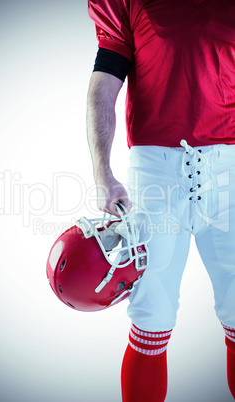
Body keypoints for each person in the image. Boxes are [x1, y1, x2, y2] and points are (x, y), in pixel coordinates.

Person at [86, 0, 235, 401]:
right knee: (151, 316)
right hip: (155, 173)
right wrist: (103, 174)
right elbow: (104, 84)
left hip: (230, 167)